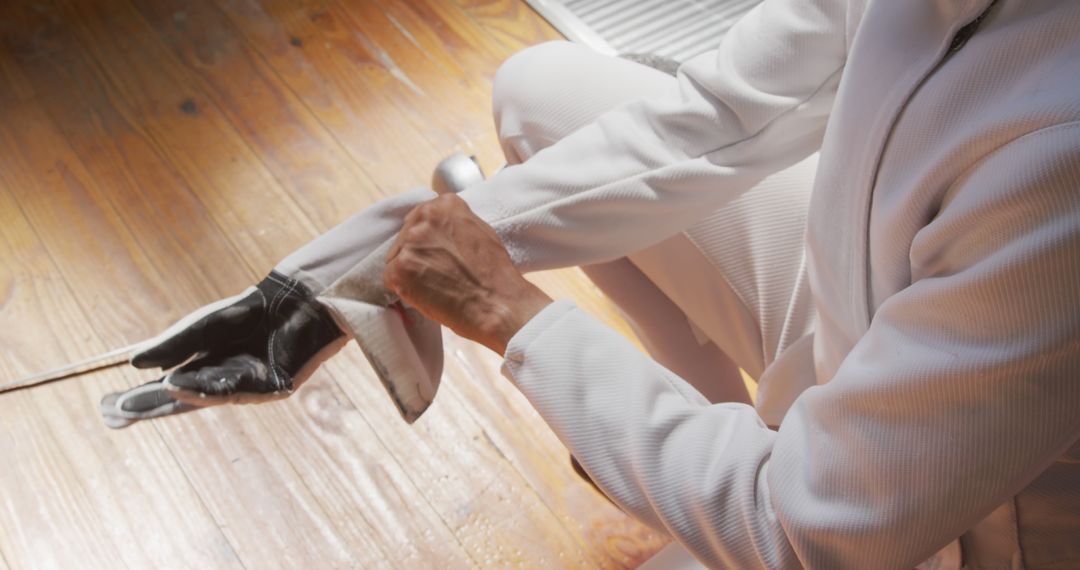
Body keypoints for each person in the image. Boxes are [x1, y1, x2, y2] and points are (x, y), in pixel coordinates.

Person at [104, 0, 1080, 567]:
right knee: (545, 94)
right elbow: (735, 110)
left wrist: (510, 317)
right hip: (857, 323)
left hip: (951, 530)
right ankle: (708, 459)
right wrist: (346, 279)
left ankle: (717, 486)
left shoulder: (1059, 151)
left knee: (760, 519)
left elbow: (806, 529)